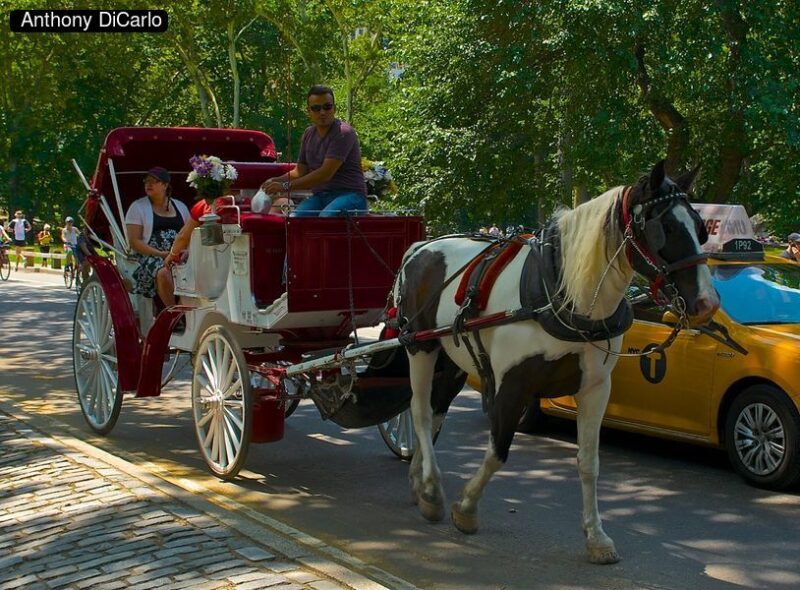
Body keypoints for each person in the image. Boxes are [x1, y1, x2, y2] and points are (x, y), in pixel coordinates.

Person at [261, 85, 368, 217]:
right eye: (316, 108)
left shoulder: (343, 133)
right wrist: (274, 180)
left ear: (334, 108)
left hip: (350, 195)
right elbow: (300, 171)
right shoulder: (308, 134)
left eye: (327, 107)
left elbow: (325, 174)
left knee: (324, 220)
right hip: (320, 196)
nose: (322, 112)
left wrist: (285, 186)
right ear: (309, 111)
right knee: (294, 220)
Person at [124, 167, 189, 301]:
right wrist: (161, 254)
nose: (149, 184)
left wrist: (185, 252)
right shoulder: (137, 207)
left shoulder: (180, 206)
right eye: (146, 181)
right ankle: (174, 316)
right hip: (150, 256)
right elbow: (135, 242)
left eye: (154, 181)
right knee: (164, 272)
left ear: (165, 185)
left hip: (179, 254)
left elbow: (189, 234)